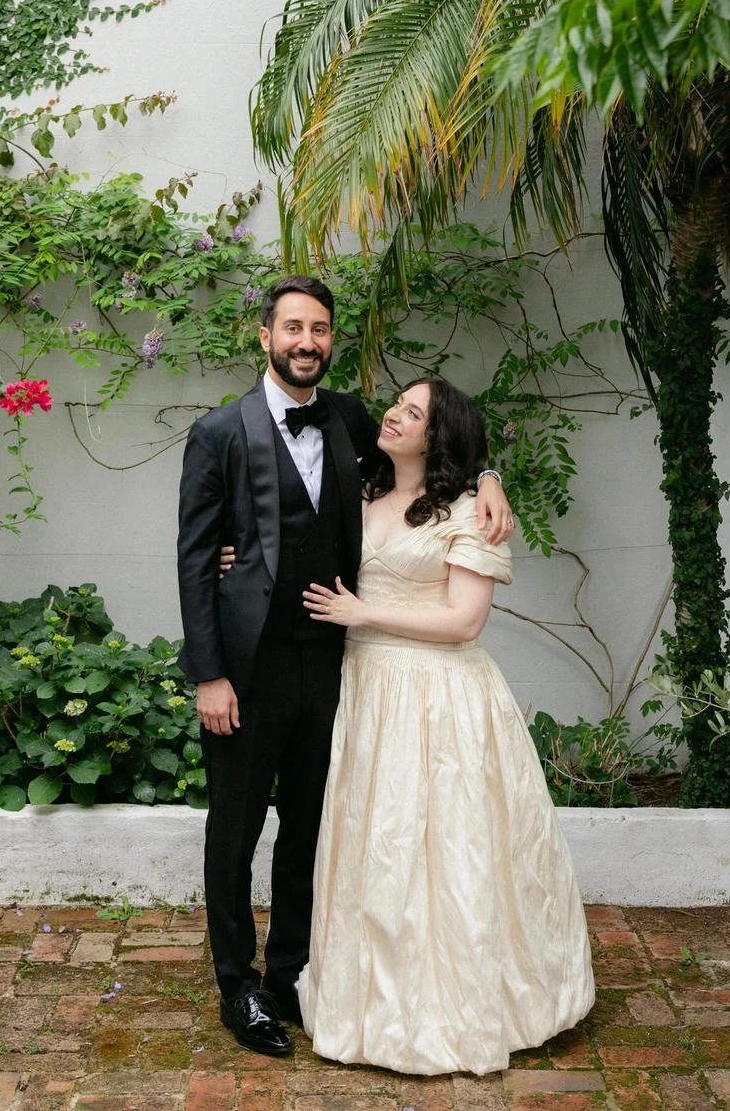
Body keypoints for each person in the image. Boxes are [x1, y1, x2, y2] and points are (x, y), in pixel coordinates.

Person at [175, 276, 515, 1058]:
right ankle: (238, 986)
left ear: (331, 340)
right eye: (293, 326)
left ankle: (290, 970)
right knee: (235, 829)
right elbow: (196, 563)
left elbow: (440, 456)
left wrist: (492, 477)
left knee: (308, 829)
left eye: (320, 329)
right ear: (265, 336)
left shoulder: (352, 417)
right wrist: (209, 674)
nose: (307, 341)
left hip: (334, 665)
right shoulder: (218, 434)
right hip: (248, 670)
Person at [297, 376, 594, 1076]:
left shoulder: (468, 511)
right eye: (397, 404)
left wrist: (364, 616)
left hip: (438, 698)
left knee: (447, 847)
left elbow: (464, 622)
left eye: (412, 412)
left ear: (438, 435)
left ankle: (456, 1009)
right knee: (376, 843)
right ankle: (370, 1004)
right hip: (367, 690)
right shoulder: (364, 487)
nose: (394, 415)